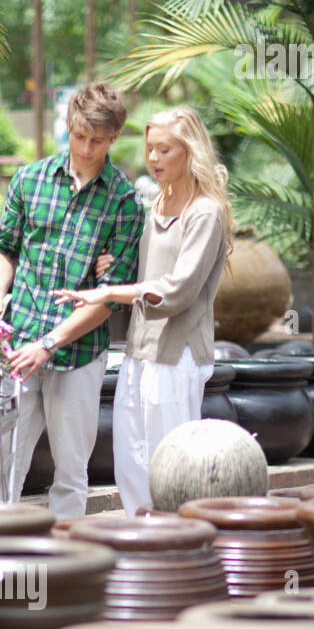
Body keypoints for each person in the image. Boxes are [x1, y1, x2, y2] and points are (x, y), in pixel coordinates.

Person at [0, 82, 145, 519]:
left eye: (97, 140)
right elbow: (4, 248)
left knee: (70, 472)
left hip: (79, 353)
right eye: (79, 136)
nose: (86, 148)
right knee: (1, 466)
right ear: (68, 126)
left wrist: (50, 343)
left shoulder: (124, 201)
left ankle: (66, 569)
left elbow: (110, 297)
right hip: (18, 342)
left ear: (114, 137)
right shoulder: (30, 180)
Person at [55, 106, 233, 514]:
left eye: (165, 149)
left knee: (172, 465)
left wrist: (111, 293)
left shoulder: (204, 213)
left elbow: (179, 289)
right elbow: (143, 271)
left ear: (190, 151)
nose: (153, 158)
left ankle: (178, 547)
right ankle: (144, 543)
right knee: (132, 462)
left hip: (176, 354)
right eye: (151, 149)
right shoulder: (156, 205)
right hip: (139, 351)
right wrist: (110, 268)